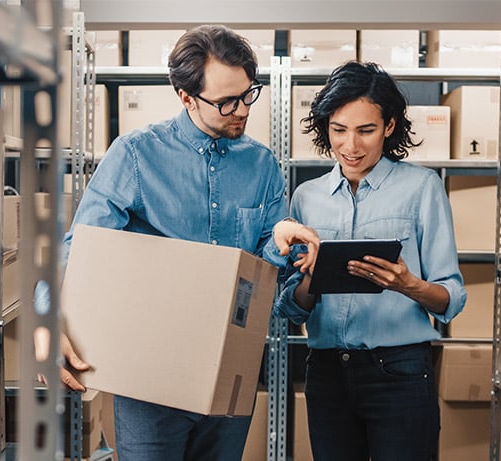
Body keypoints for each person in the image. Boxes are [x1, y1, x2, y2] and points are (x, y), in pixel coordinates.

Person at [50, 25, 320, 461]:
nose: (241, 111)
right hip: (149, 376)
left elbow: (266, 275)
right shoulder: (136, 155)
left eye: (248, 94)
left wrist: (281, 244)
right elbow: (80, 248)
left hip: (230, 371)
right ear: (185, 96)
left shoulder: (263, 165)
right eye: (226, 102)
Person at [273, 61, 467, 461]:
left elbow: (452, 297)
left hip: (400, 371)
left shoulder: (422, 188)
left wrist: (406, 284)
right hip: (326, 374)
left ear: (390, 126)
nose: (351, 146)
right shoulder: (306, 197)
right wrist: (310, 276)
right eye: (339, 130)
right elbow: (292, 309)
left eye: (366, 130)